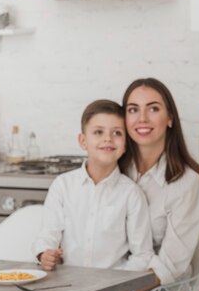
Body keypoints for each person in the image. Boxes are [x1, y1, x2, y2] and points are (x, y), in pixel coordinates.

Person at [32, 99, 153, 272]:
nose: (108, 139)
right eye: (98, 132)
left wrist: (116, 288)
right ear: (83, 141)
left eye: (117, 133)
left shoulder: (131, 194)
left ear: (126, 144)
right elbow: (48, 235)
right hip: (67, 286)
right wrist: (44, 254)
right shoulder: (62, 186)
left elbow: (142, 255)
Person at [119, 78, 199, 291]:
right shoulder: (115, 171)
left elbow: (170, 265)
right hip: (109, 288)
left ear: (169, 119)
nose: (142, 118)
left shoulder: (187, 182)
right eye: (133, 109)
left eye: (153, 108)